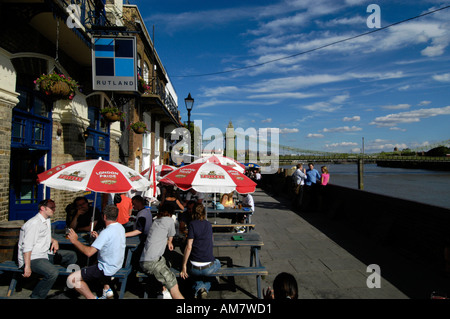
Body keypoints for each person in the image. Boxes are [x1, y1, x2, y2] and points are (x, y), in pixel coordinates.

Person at [17, 199, 78, 299]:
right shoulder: (33, 223)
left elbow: (42, 235)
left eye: (54, 207)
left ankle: (70, 287)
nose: (54, 209)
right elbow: (27, 247)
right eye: (51, 207)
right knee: (53, 272)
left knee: (72, 255)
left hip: (44, 254)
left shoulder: (46, 219)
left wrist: (54, 240)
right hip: (32, 258)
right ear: (42, 208)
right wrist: (27, 266)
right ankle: (36, 296)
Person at [67, 204, 126, 299]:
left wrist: (75, 241)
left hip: (106, 268)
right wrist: (99, 239)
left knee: (72, 279)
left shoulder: (106, 232)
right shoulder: (120, 228)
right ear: (116, 216)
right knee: (95, 262)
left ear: (104, 216)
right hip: (117, 264)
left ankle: (92, 298)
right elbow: (110, 244)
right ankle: (107, 289)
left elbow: (89, 253)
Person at [139, 206, 184, 299]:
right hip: (152, 262)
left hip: (144, 260)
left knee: (167, 261)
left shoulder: (155, 221)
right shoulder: (170, 220)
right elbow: (171, 235)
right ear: (170, 214)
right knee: (173, 284)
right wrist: (170, 242)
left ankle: (163, 290)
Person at [180, 203, 221, 299]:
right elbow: (211, 241)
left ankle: (199, 287)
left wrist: (184, 266)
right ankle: (204, 288)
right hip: (208, 267)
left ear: (193, 213)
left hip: (194, 267)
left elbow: (189, 247)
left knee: (196, 276)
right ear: (204, 213)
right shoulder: (208, 224)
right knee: (217, 263)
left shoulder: (192, 224)